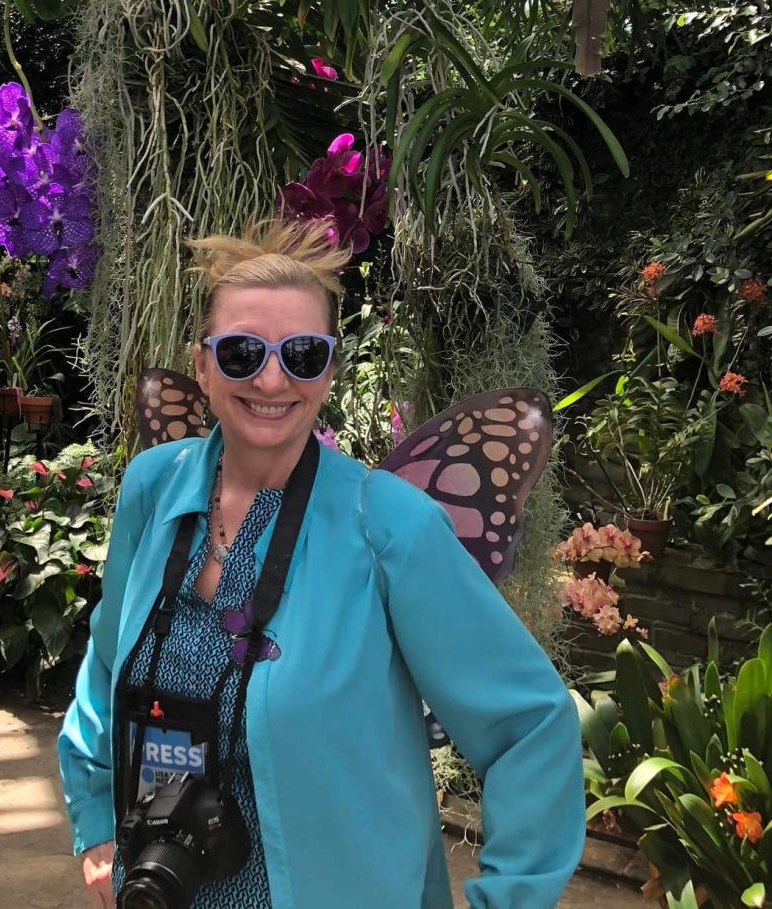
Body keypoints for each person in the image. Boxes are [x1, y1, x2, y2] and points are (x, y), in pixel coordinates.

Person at [58, 219, 585, 909]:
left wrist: (509, 896)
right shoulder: (154, 488)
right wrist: (97, 820)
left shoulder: (388, 526)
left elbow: (530, 723)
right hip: (163, 885)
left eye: (303, 353)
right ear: (202, 365)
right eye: (242, 351)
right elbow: (106, 665)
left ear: (329, 371)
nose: (272, 377)